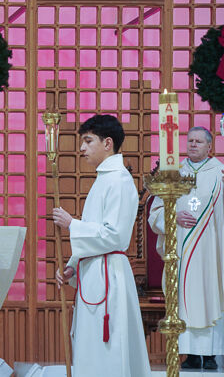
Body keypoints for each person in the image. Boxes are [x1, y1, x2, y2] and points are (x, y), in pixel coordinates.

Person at [53, 114, 151, 377]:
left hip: (110, 275)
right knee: (91, 347)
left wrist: (72, 224)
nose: (81, 148)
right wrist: (72, 266)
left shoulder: (119, 180)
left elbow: (115, 236)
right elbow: (96, 230)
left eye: (88, 141)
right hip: (94, 271)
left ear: (108, 143)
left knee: (108, 349)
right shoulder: (103, 180)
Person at [148, 126, 224, 370]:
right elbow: (155, 213)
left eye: (199, 141)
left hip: (212, 251)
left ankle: (210, 355)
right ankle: (189, 354)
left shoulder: (222, 172)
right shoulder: (173, 173)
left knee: (211, 293)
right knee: (184, 297)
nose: (193, 144)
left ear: (210, 146)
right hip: (183, 250)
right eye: (190, 141)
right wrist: (173, 217)